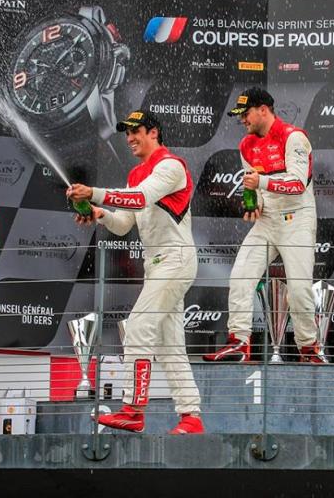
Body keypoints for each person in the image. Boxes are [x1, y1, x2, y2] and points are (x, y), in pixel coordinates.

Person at [67, 109, 204, 435]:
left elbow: (140, 198)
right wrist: (98, 212)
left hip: (175, 259)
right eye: (126, 132)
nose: (129, 138)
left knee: (139, 327)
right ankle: (191, 418)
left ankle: (133, 409)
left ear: (153, 132)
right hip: (157, 265)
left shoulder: (171, 165)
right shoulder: (136, 174)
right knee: (170, 347)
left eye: (135, 131)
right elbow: (123, 224)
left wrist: (94, 192)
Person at [203, 87, 324, 363]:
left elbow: (297, 184)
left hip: (297, 219)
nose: (242, 119)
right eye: (240, 115)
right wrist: (253, 204)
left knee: (299, 289)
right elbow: (253, 186)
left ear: (263, 110)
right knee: (240, 278)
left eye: (245, 114)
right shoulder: (246, 145)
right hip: (267, 221)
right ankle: (239, 343)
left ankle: (308, 349)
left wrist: (262, 182)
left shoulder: (293, 137)